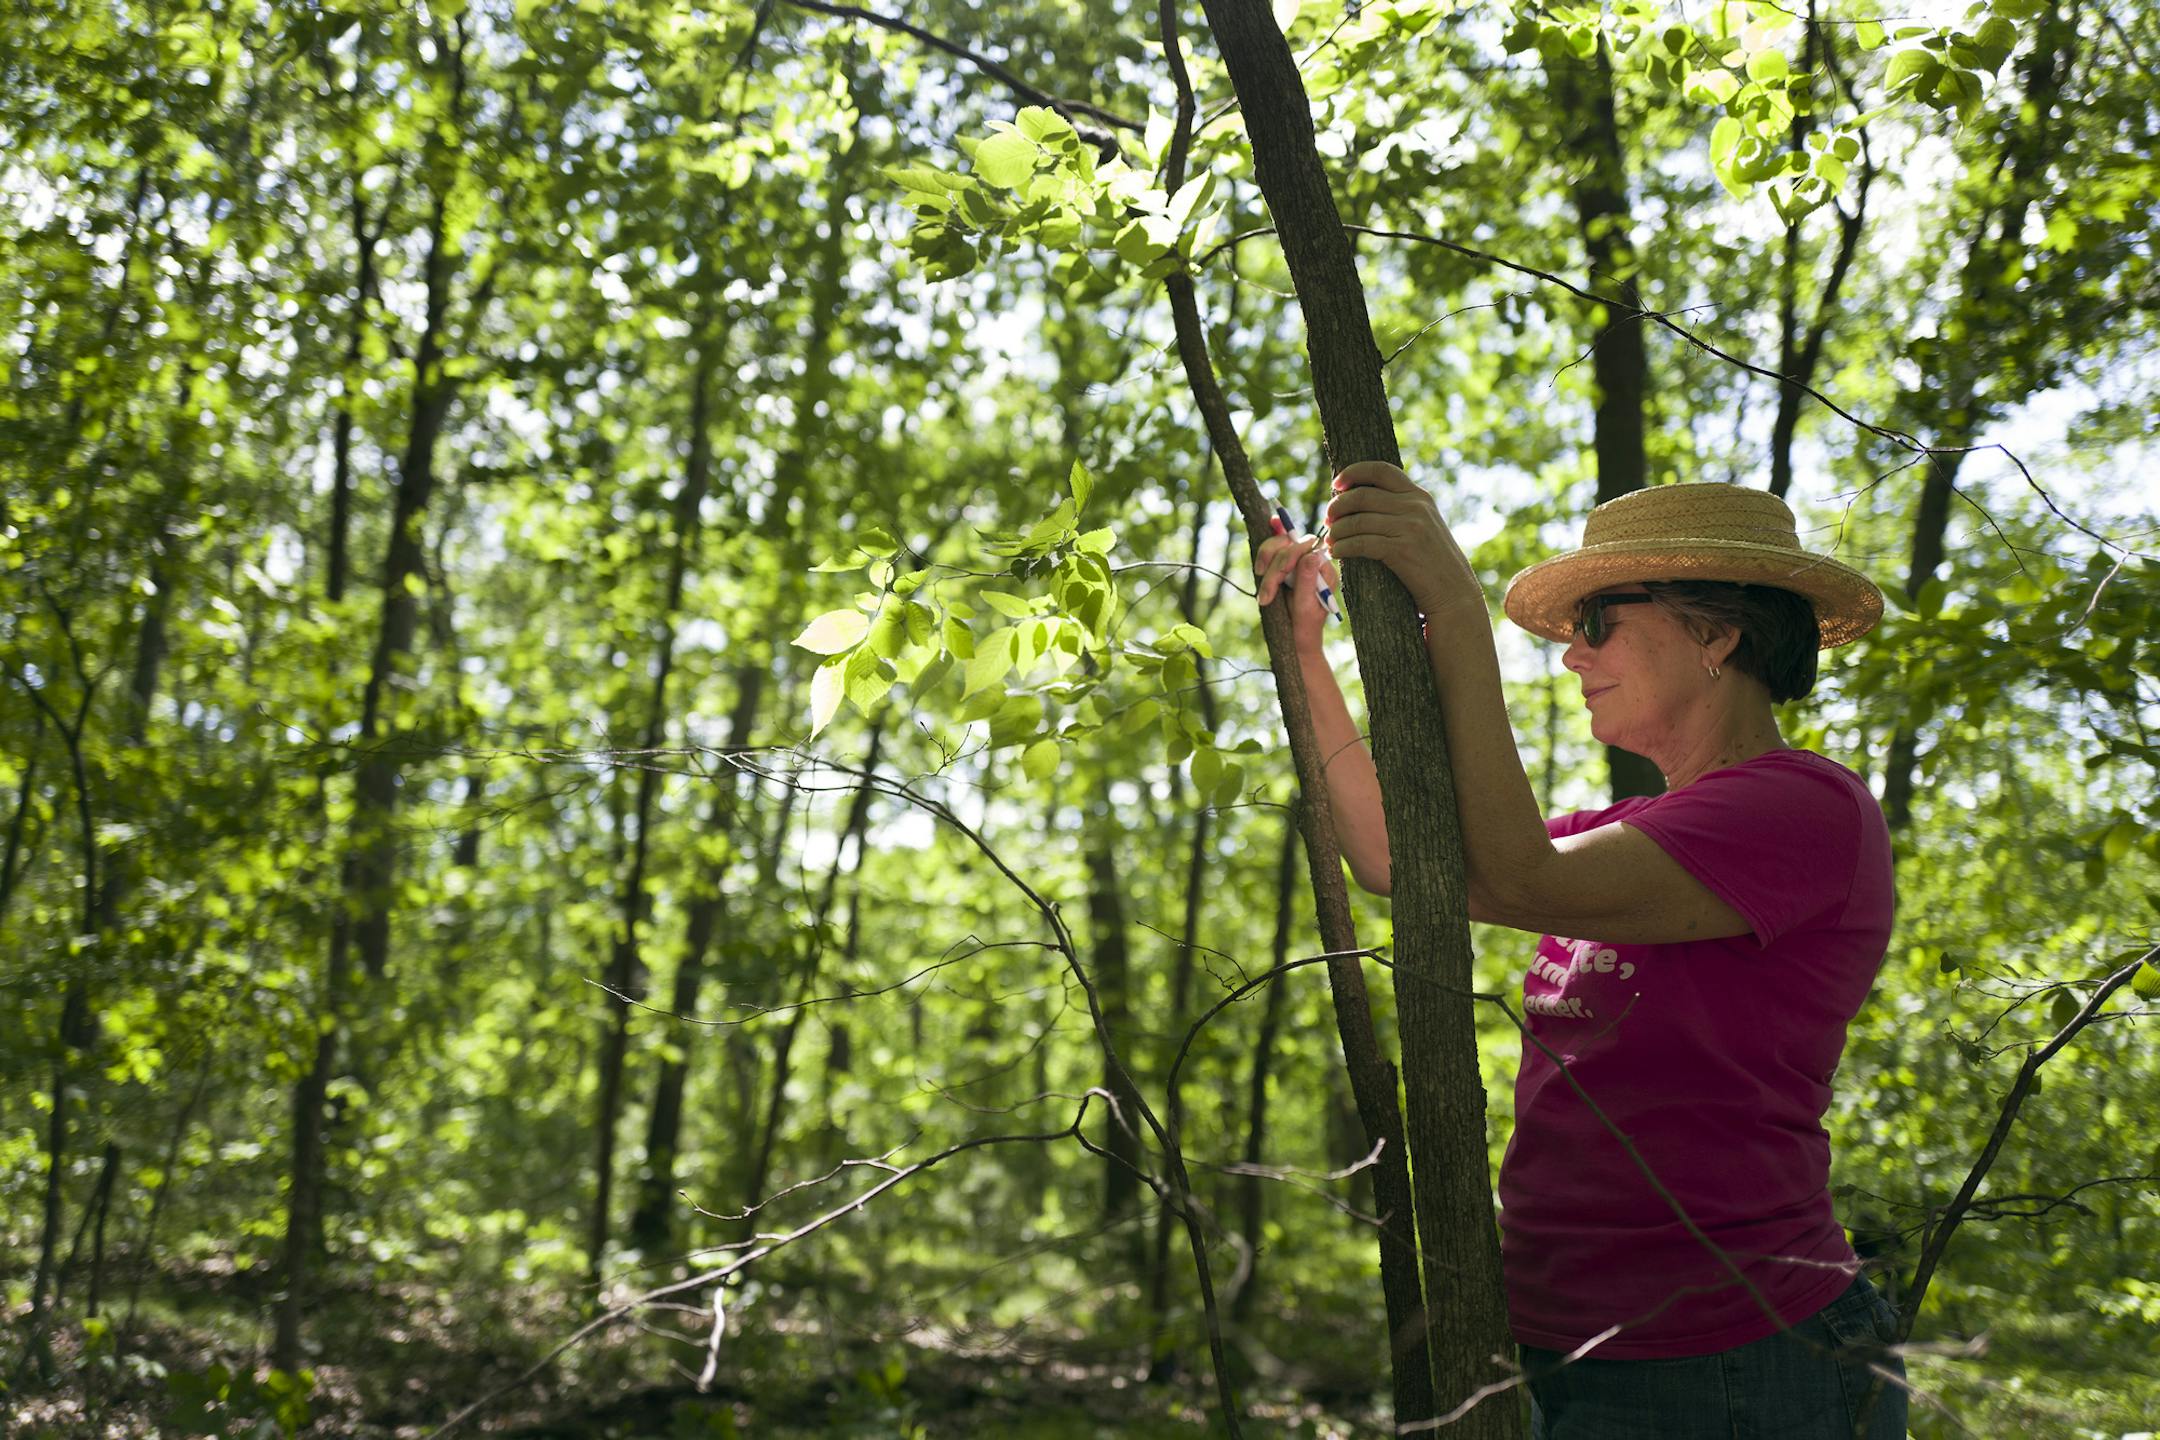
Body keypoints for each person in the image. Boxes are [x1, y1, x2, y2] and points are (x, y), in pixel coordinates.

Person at [1254, 471, 1907, 1439]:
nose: (1571, 656)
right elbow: (1399, 858)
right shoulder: (1617, 832)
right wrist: (1303, 652)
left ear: (1717, 632)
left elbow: (1522, 879)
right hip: (1568, 1344)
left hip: (1733, 1358)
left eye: (1598, 619)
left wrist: (1456, 613)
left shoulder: (1805, 809)